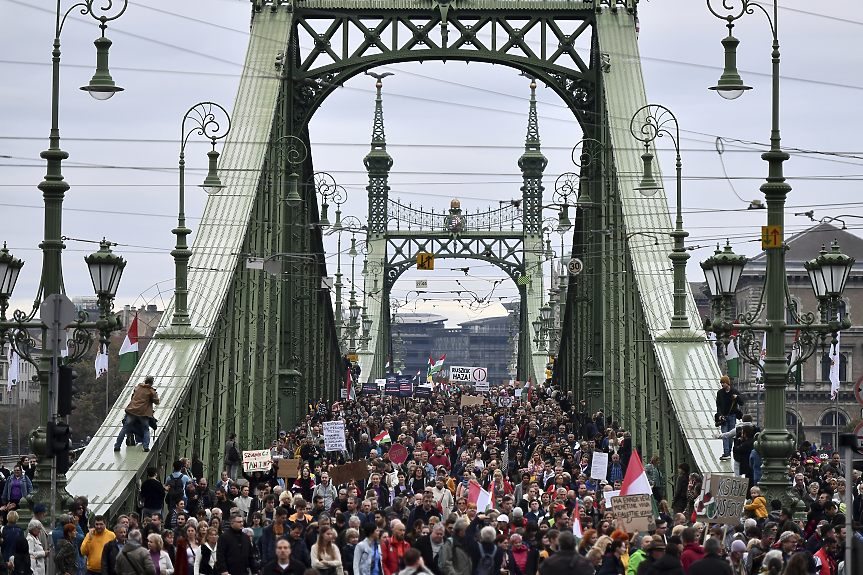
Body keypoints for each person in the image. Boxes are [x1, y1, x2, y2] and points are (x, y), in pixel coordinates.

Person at [114, 376, 159, 452]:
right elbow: (156, 401)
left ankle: (117, 446)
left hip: (133, 411)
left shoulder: (138, 387)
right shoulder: (151, 391)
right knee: (146, 429)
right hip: (143, 413)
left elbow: (132, 397)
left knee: (125, 428)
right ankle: (146, 446)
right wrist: (155, 395)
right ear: (151, 382)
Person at [715, 376, 743, 461]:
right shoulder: (720, 393)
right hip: (724, 416)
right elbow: (718, 404)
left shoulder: (735, 392)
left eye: (723, 383)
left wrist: (737, 398)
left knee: (730, 435)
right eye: (721, 383)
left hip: (732, 416)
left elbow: (741, 403)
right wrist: (719, 414)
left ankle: (729, 451)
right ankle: (726, 452)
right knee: (725, 434)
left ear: (727, 383)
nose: (722, 384)